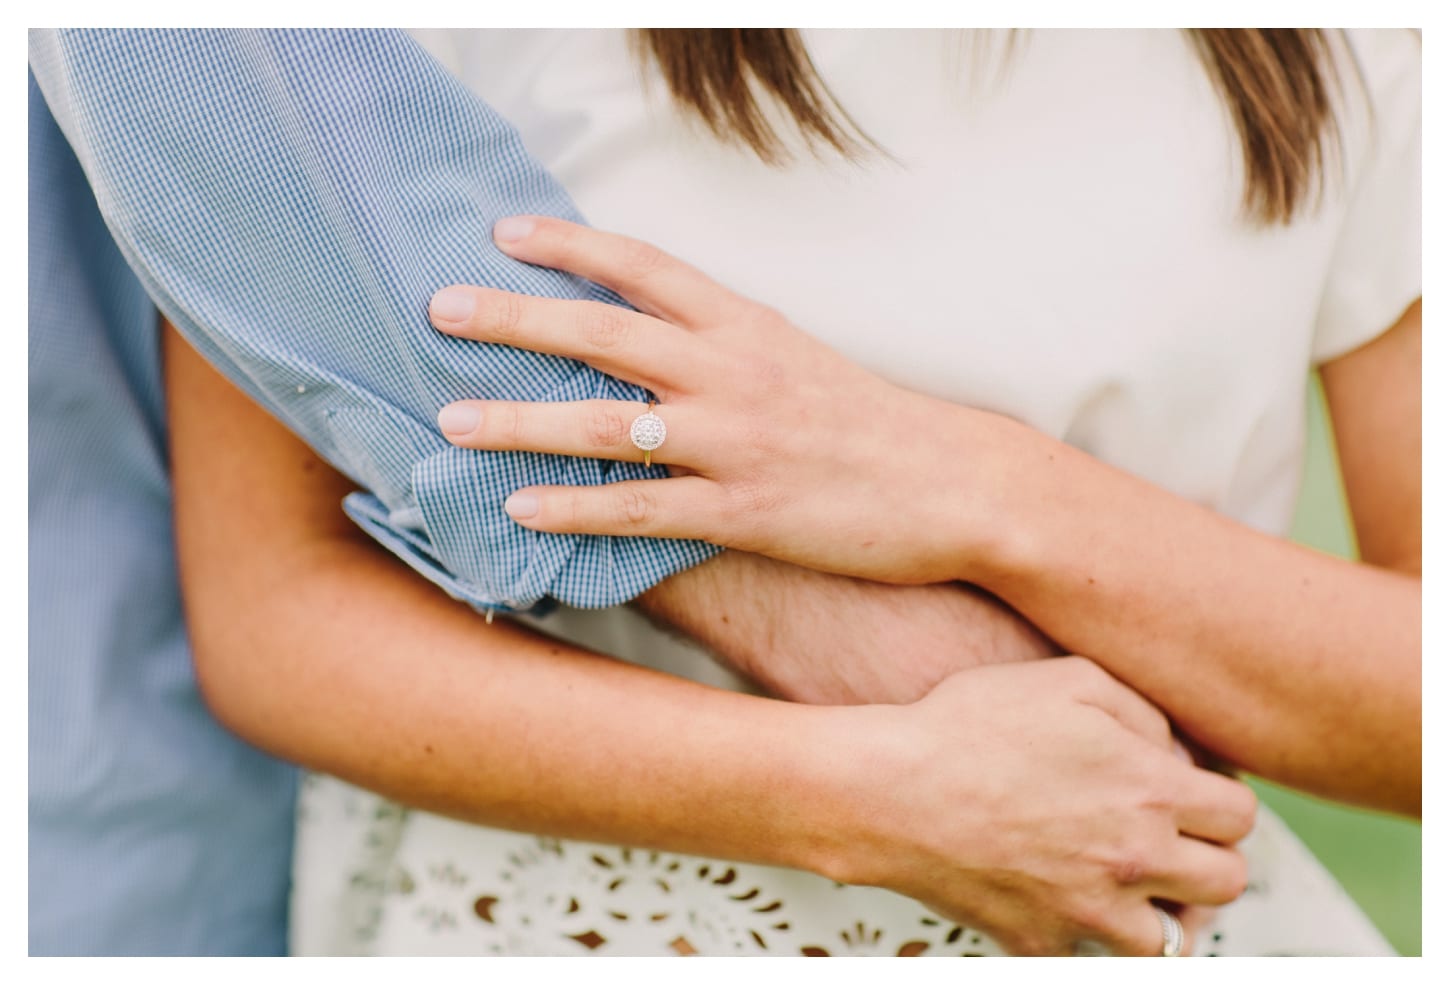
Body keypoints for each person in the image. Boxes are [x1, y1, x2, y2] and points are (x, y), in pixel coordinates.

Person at [184, 29, 1417, 955]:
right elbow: (272, 603)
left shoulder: (1362, 46)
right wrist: (866, 793)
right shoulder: (325, 44)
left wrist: (967, 480)